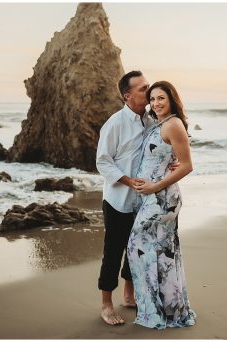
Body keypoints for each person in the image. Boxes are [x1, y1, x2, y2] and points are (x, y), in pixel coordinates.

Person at [126, 80, 197, 329]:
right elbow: (170, 157)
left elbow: (187, 166)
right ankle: (169, 310)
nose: (155, 103)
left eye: (161, 98)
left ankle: (154, 312)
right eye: (152, 99)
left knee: (136, 247)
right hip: (153, 198)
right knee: (162, 252)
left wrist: (155, 186)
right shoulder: (161, 123)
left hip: (163, 199)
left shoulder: (173, 124)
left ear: (171, 99)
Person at [95, 70, 152, 326]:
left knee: (135, 249)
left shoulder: (151, 121)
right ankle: (106, 304)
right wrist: (128, 181)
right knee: (113, 252)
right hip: (117, 200)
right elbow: (102, 162)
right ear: (128, 96)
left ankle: (129, 296)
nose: (148, 91)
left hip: (143, 201)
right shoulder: (115, 123)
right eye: (143, 88)